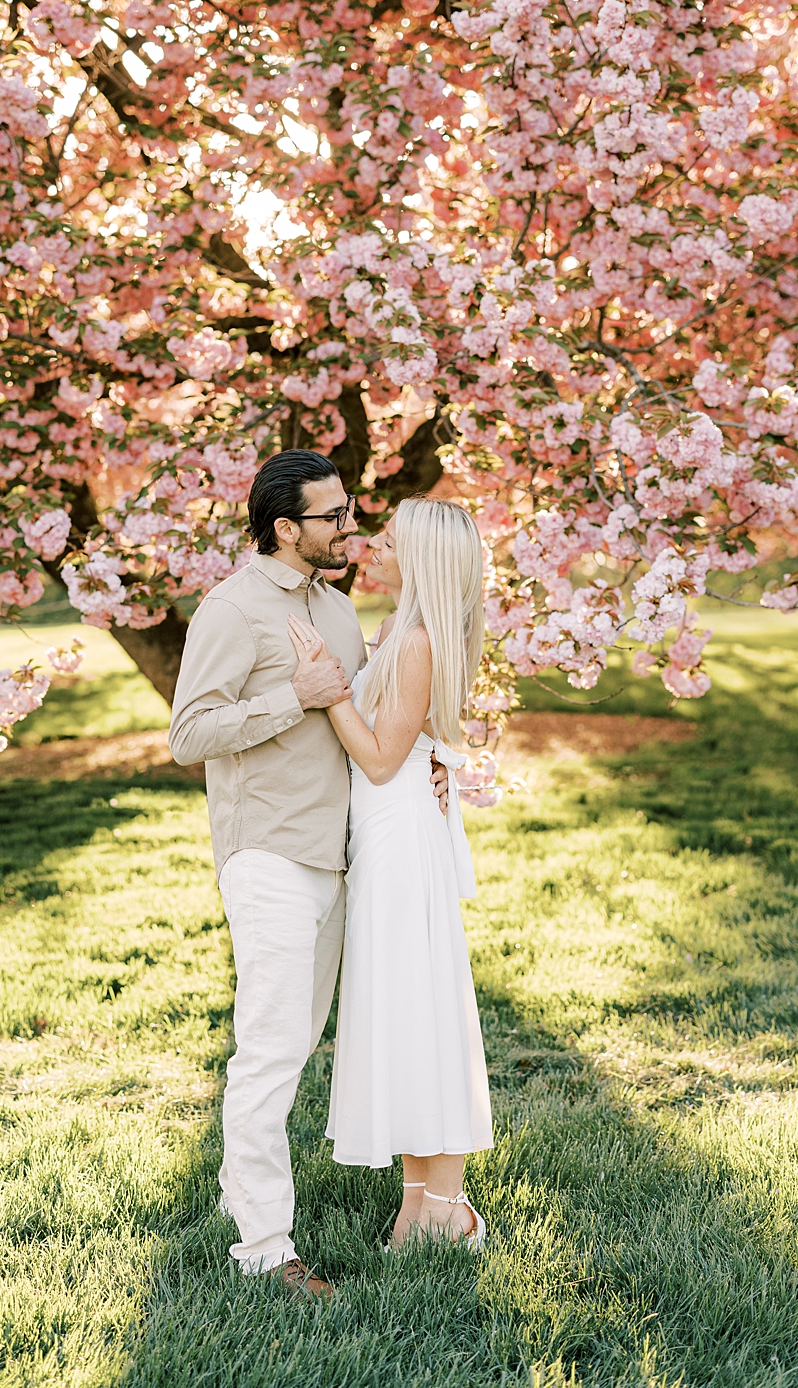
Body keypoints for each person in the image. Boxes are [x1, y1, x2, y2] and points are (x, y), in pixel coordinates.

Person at [167, 449, 447, 1298]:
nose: (351, 527)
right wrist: (295, 695)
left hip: (339, 858)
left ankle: (240, 1198)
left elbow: (358, 718)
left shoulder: (332, 604)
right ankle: (262, 1247)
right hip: (270, 855)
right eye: (333, 517)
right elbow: (189, 734)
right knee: (273, 1050)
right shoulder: (232, 607)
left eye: (350, 510)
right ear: (286, 528)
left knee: (294, 1043)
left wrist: (424, 763)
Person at [299, 498, 493, 1248]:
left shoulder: (415, 642)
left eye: (386, 538)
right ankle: (418, 1204)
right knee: (403, 1018)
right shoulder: (398, 634)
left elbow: (380, 761)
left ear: (420, 557)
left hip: (404, 841)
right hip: (386, 840)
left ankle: (450, 1207)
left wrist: (330, 692)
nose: (370, 544)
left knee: (424, 1016)